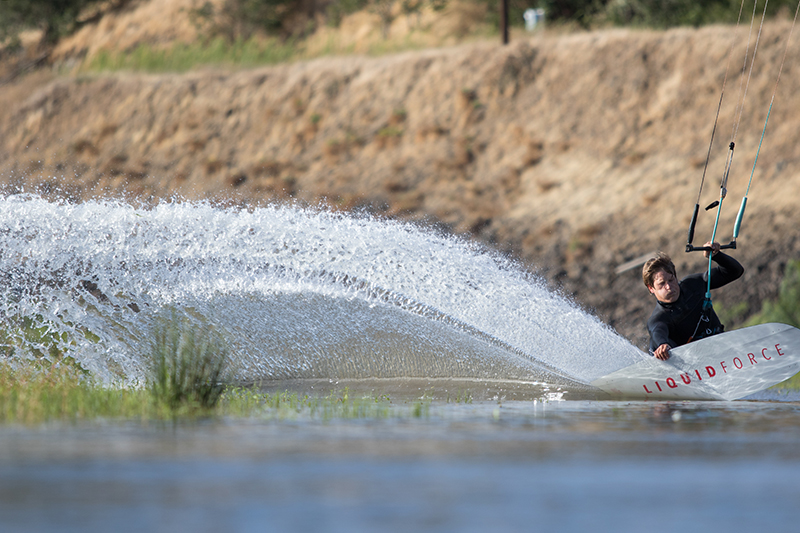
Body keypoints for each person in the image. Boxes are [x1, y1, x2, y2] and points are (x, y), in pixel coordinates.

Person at [642, 242, 744, 360]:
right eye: (662, 284)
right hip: (693, 365)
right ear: (651, 288)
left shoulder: (693, 285)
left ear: (675, 276)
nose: (669, 287)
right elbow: (657, 331)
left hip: (720, 348)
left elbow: (735, 271)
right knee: (654, 346)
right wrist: (662, 345)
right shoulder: (659, 318)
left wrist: (717, 255)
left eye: (671, 280)